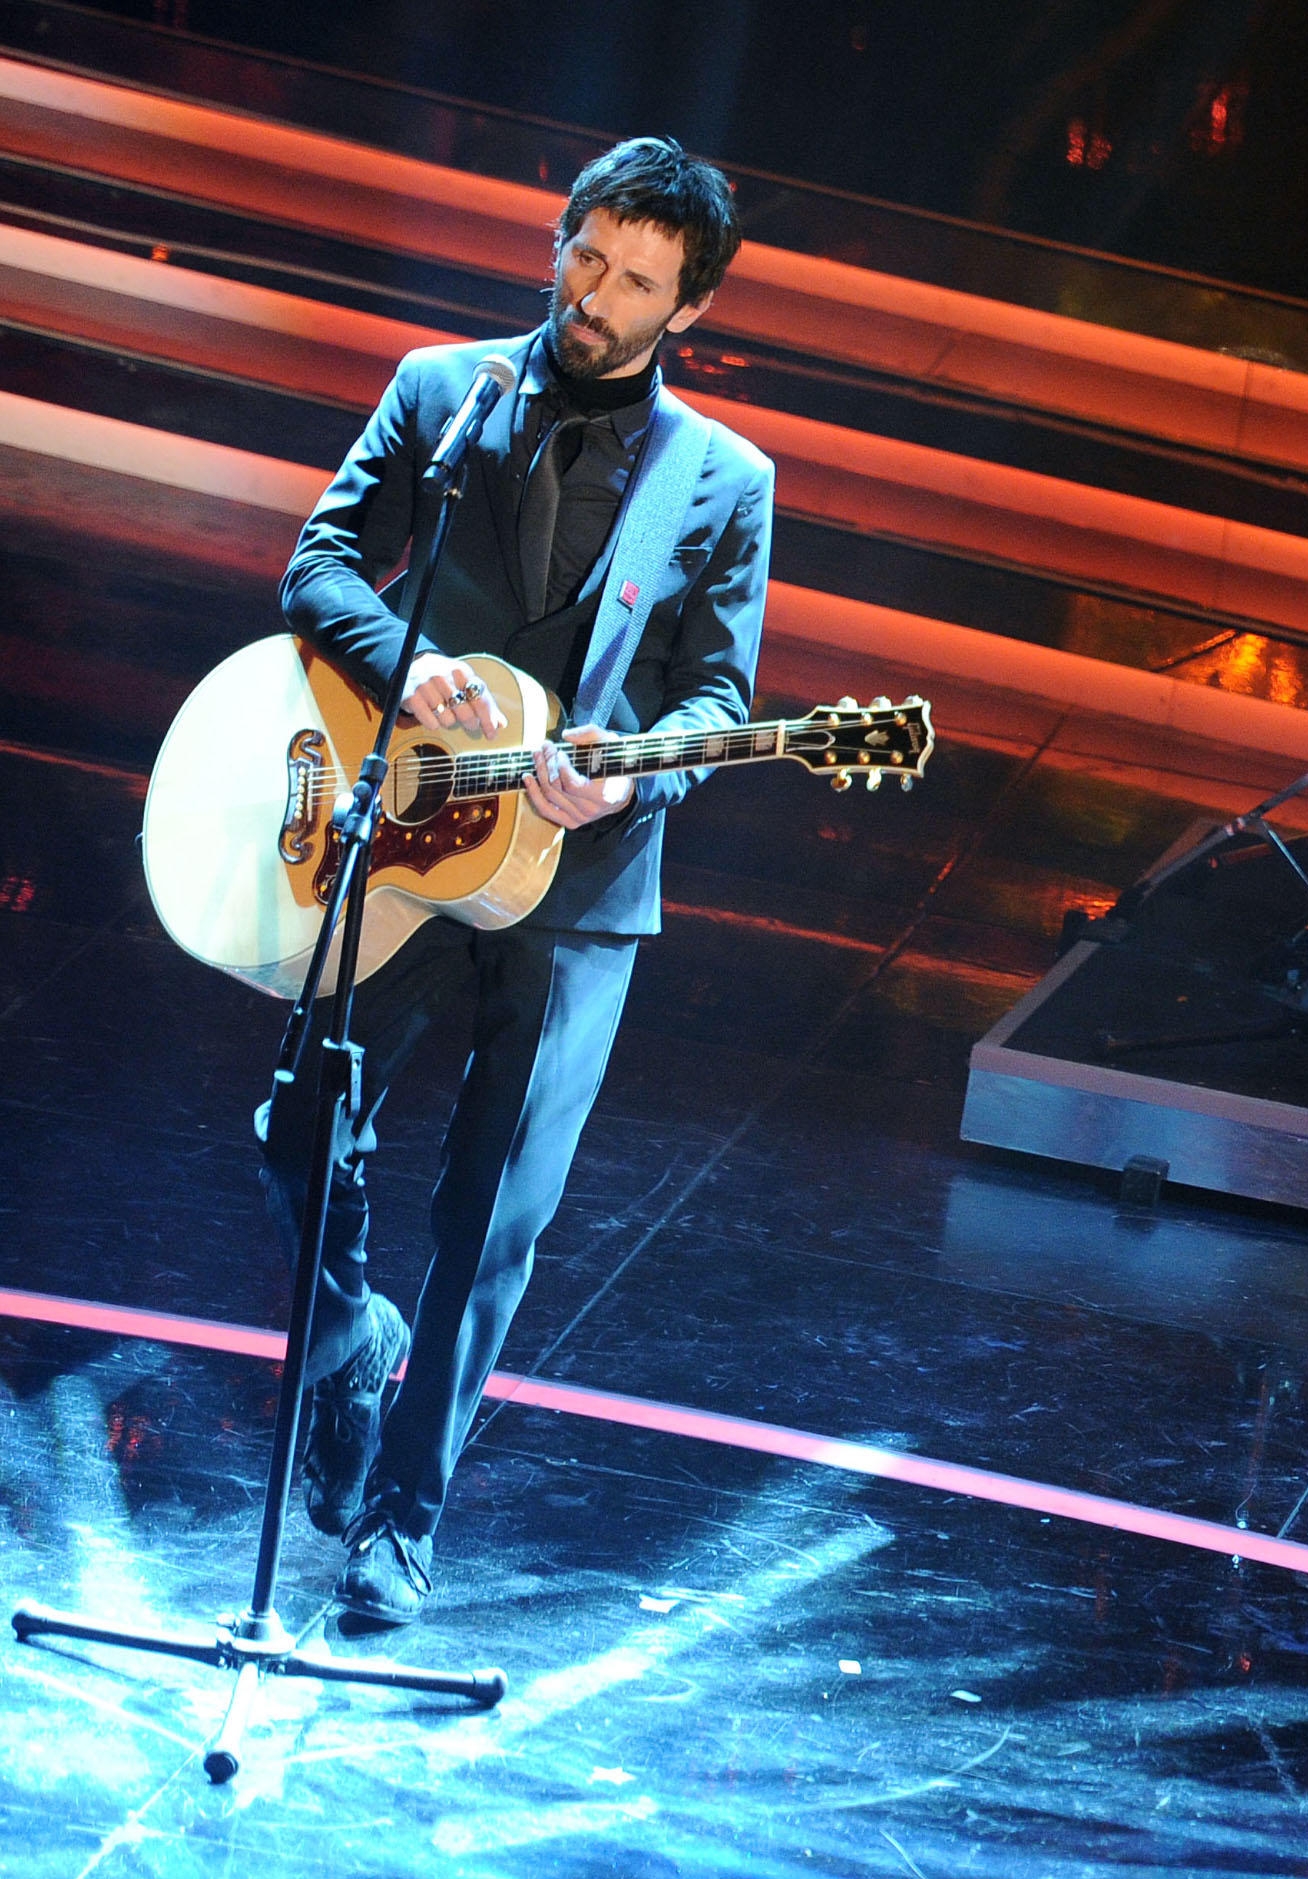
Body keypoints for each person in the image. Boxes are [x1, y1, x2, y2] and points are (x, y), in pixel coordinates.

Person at [264, 136, 774, 1625]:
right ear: (558, 241)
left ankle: (402, 1520)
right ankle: (348, 1328)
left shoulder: (722, 478)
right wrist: (405, 664)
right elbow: (319, 564)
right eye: (586, 257)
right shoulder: (448, 390)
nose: (597, 298)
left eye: (638, 284)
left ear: (689, 310)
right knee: (297, 1126)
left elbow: (716, 696)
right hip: (413, 843)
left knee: (491, 1218)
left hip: (579, 891)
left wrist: (628, 769)